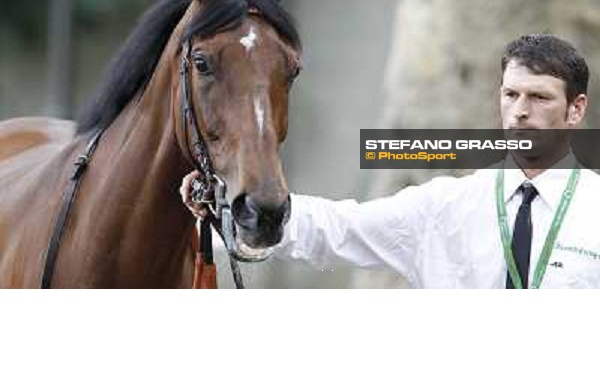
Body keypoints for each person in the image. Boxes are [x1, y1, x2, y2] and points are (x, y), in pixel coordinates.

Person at [180, 34, 600, 288]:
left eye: (539, 97)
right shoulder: (445, 206)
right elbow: (337, 230)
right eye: (511, 95)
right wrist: (229, 203)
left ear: (576, 109)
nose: (520, 111)